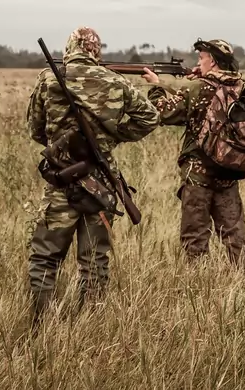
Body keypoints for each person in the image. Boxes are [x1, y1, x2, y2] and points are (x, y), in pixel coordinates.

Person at [26, 26, 160, 325]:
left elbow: (35, 129)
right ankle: (91, 325)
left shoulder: (49, 79)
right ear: (96, 50)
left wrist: (59, 143)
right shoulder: (115, 81)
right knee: (95, 259)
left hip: (61, 182)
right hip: (100, 184)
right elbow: (150, 117)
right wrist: (114, 138)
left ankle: (42, 326)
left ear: (70, 47)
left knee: (45, 256)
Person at [141, 38, 245, 266]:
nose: (198, 61)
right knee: (235, 235)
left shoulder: (196, 87)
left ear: (212, 60)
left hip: (199, 173)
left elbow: (164, 113)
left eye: (201, 57)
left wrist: (155, 86)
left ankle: (199, 282)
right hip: (228, 172)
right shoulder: (240, 87)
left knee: (195, 237)